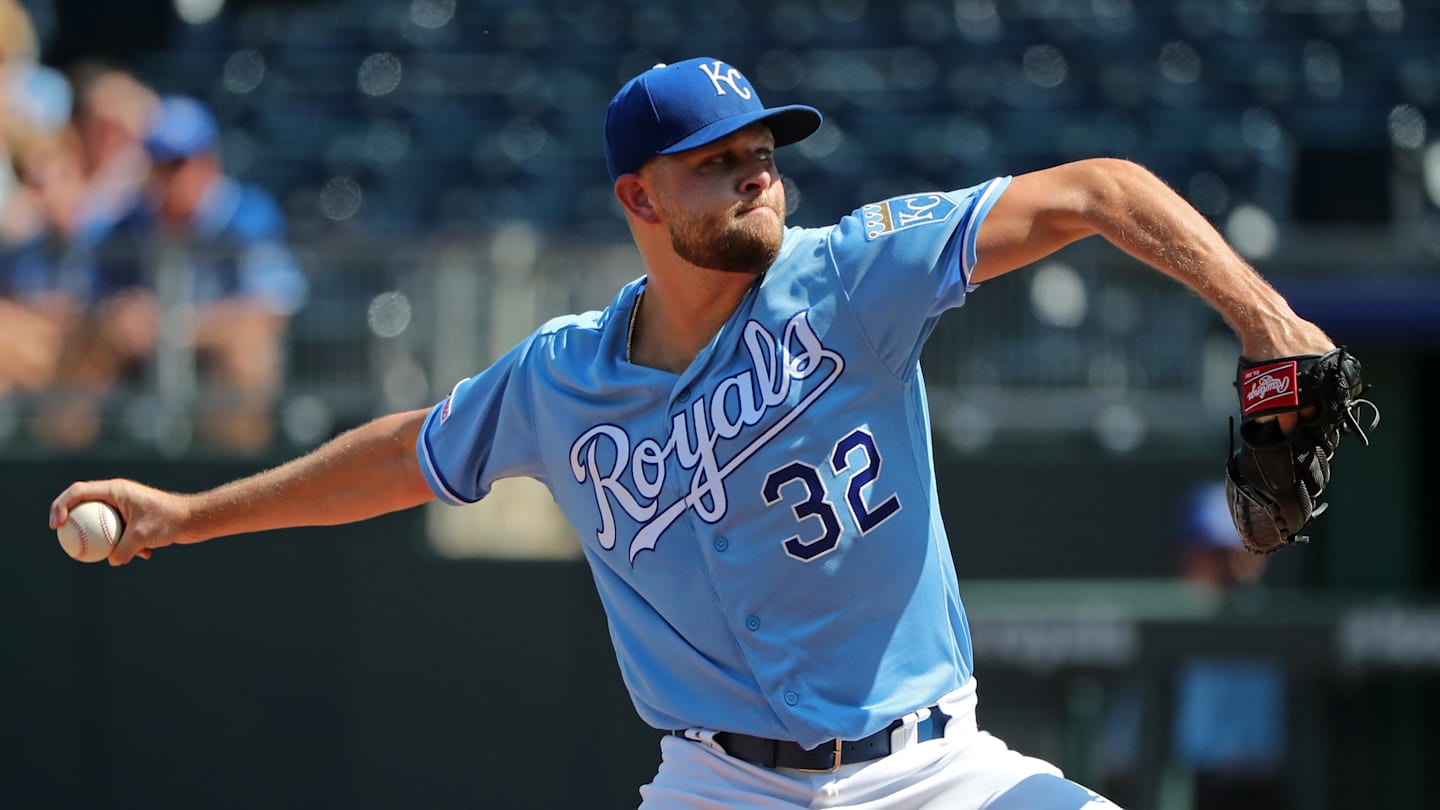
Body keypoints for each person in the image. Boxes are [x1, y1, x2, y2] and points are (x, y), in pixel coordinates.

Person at [50, 58, 1336, 808]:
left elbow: (1099, 193)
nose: (756, 171)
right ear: (638, 196)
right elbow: (400, 455)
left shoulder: (851, 278)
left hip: (934, 775)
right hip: (725, 787)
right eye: (716, 160)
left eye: (762, 149)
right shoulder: (562, 379)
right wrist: (185, 514)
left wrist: (1268, 321)